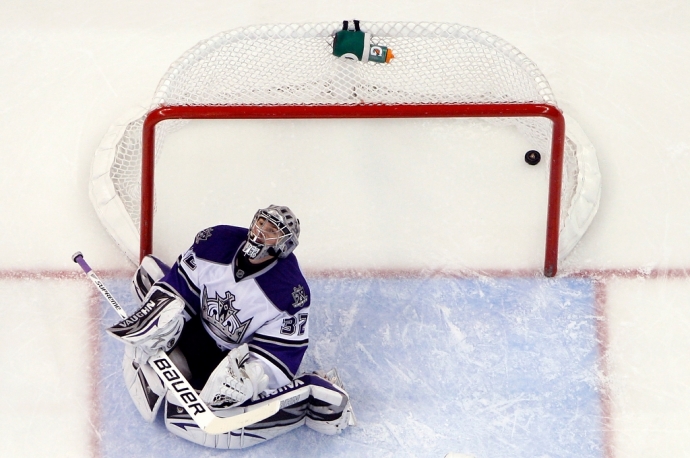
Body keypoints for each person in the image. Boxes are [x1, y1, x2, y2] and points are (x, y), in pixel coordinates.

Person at [106, 205, 355, 448]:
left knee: (222, 396)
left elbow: (281, 353)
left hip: (230, 357)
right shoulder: (216, 241)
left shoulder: (289, 292)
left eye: (271, 231)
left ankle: (311, 389)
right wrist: (165, 317)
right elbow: (183, 284)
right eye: (261, 223)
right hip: (196, 330)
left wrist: (250, 377)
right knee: (157, 329)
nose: (260, 232)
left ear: (284, 245)